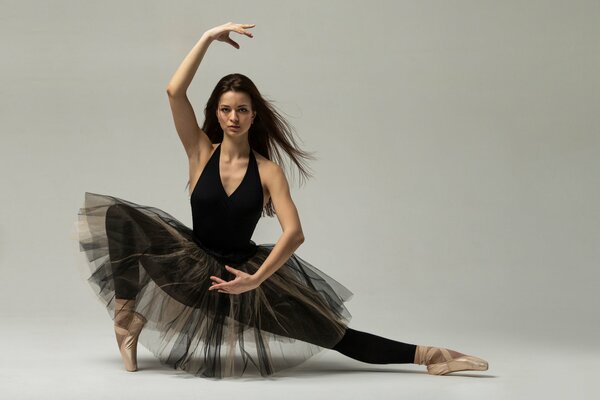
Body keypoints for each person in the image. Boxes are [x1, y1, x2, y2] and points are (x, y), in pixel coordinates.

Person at [73, 21, 489, 379]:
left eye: (241, 110)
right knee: (117, 216)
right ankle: (127, 319)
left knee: (334, 334)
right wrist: (207, 37)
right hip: (189, 267)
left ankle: (431, 356)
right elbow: (173, 91)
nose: (233, 117)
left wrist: (255, 279)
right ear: (215, 114)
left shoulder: (268, 171)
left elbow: (294, 233)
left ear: (254, 115)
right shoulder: (200, 153)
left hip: (241, 277)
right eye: (225, 109)